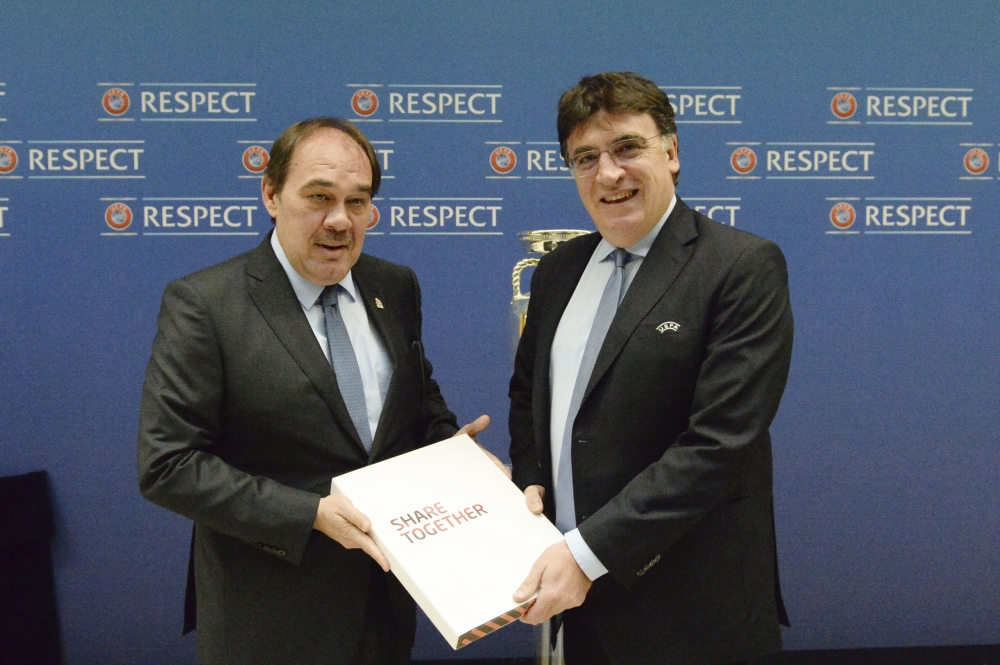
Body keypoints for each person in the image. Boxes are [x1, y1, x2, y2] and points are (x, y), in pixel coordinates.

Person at [137, 117, 496, 665]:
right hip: (269, 619)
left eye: (357, 202)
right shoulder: (205, 304)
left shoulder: (394, 286)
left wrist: (457, 457)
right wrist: (309, 513)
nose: (339, 221)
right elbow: (168, 466)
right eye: (319, 197)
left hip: (384, 608)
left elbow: (418, 407)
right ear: (271, 194)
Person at [508, 73, 794, 665]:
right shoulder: (558, 271)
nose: (607, 174)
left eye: (626, 148)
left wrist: (588, 553)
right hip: (581, 606)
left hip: (694, 612)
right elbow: (528, 392)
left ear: (671, 152)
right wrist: (531, 476)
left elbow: (719, 444)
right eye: (585, 158)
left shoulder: (741, 267)